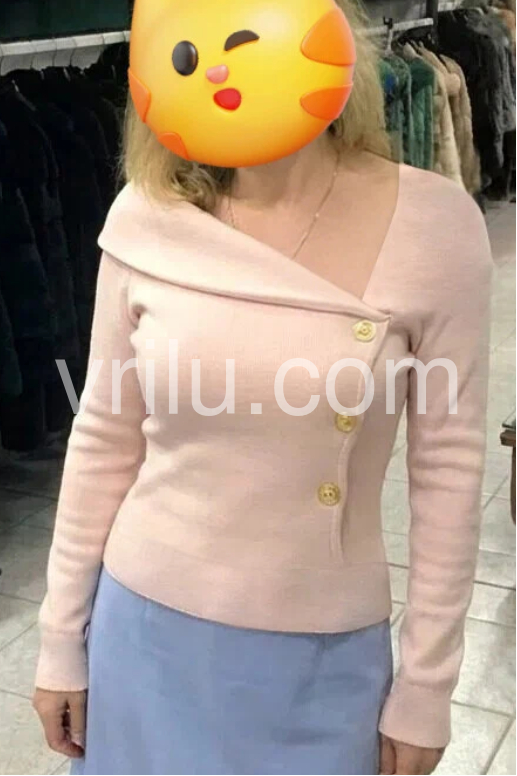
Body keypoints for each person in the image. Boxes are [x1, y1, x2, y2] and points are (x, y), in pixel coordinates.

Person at [32, 1, 493, 774]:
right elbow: (105, 434)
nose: (221, 66)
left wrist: (425, 686)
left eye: (248, 37)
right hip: (141, 633)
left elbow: (447, 471)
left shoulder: (431, 224)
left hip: (320, 657)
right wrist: (60, 640)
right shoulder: (147, 213)